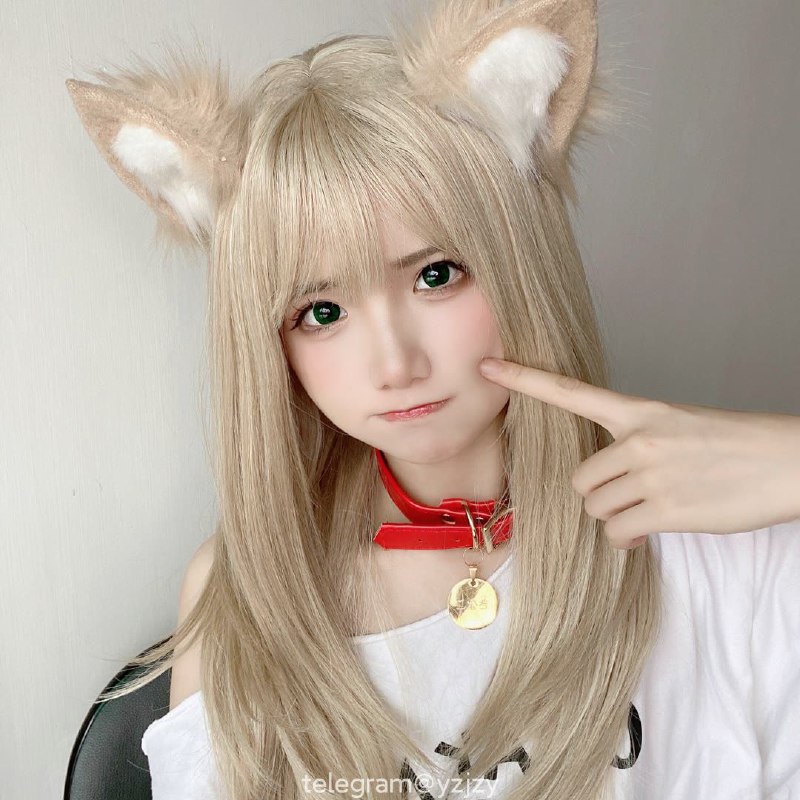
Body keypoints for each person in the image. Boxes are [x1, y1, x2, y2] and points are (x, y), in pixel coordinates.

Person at [64, 0, 800, 798]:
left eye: (435, 275)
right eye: (322, 312)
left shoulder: (712, 533)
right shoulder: (246, 595)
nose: (395, 364)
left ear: (520, 259)